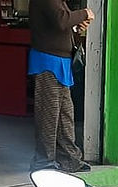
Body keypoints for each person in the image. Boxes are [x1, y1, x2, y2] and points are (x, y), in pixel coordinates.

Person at [28, 0, 93, 172]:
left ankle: (70, 159)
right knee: (48, 116)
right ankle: (43, 162)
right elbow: (61, 20)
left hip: (60, 62)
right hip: (47, 62)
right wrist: (84, 13)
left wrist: (76, 27)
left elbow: (60, 26)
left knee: (65, 116)